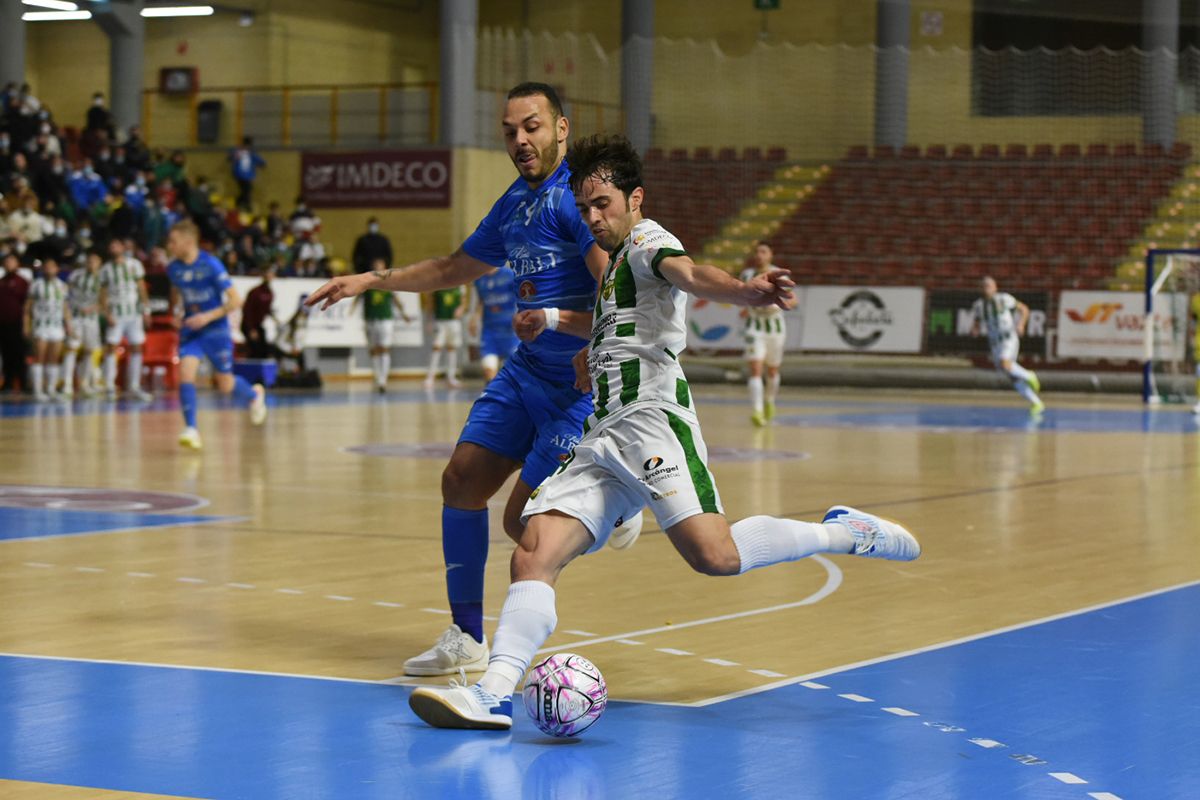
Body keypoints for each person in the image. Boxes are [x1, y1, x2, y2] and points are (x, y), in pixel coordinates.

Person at [407, 134, 922, 731]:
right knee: (531, 551)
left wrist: (743, 291)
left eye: (603, 203)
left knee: (716, 556)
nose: (593, 217)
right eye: (585, 207)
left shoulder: (649, 242)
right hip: (603, 435)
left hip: (653, 425)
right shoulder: (611, 269)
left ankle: (841, 533)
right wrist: (589, 356)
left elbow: (690, 273)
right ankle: (492, 696)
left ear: (635, 199)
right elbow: (618, 322)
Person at [307, 82, 646, 678]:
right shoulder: (514, 203)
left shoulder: (578, 203)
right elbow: (453, 267)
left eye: (533, 126)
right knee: (461, 480)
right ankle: (466, 638)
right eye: (510, 130)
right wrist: (371, 279)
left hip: (577, 388)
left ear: (562, 129)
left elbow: (615, 300)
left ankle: (616, 500)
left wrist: (561, 327)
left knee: (522, 529)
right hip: (524, 376)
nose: (520, 139)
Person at [166, 220, 268, 449]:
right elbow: (176, 292)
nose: (169, 245)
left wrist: (207, 316)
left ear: (188, 242)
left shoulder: (211, 265)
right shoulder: (173, 268)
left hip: (215, 329)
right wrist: (176, 312)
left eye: (173, 241)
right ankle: (191, 428)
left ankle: (253, 394)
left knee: (224, 384)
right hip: (192, 330)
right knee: (186, 373)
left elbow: (235, 300)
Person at [970, 276, 1043, 413]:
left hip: (1008, 338)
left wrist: (1021, 324)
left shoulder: (1003, 299)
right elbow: (977, 321)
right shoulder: (979, 306)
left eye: (989, 286)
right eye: (984, 286)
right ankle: (1036, 403)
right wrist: (975, 329)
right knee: (1011, 375)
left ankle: (1029, 375)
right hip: (995, 343)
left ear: (995, 287)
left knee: (1005, 363)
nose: (986, 289)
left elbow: (1024, 309)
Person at [98, 237, 152, 401]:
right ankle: (109, 386)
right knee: (110, 347)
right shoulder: (106, 269)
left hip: (133, 313)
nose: (114, 248)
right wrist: (107, 314)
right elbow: (102, 294)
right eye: (111, 246)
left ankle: (134, 387)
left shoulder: (134, 265)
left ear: (122, 247)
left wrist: (146, 311)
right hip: (116, 313)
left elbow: (141, 289)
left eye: (116, 244)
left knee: (136, 347)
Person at [740, 241, 787, 426]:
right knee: (755, 368)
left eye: (763, 251)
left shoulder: (779, 274)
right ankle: (757, 410)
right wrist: (745, 305)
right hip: (754, 326)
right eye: (757, 251)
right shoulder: (747, 275)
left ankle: (769, 400)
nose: (759, 255)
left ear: (771, 254)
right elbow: (741, 295)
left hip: (775, 326)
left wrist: (777, 304)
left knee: (773, 370)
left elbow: (793, 300)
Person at [24, 258, 70, 401]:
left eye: (52, 267)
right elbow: (27, 308)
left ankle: (51, 389)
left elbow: (65, 307)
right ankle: (38, 390)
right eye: (46, 267)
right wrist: (26, 325)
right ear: (43, 269)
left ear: (57, 269)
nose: (49, 269)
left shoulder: (61, 285)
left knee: (54, 358)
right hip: (40, 325)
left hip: (56, 325)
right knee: (39, 357)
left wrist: (69, 325)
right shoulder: (36, 285)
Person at [62, 251, 104, 398]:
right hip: (76, 318)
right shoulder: (76, 275)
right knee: (71, 348)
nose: (92, 264)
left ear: (99, 263)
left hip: (92, 320)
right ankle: (67, 384)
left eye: (95, 261)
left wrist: (95, 308)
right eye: (89, 261)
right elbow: (65, 295)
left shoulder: (102, 278)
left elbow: (105, 300)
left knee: (89, 350)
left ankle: (84, 384)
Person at [352, 287, 408, 393]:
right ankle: (378, 378)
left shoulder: (389, 285)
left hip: (386, 319)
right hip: (371, 319)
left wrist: (403, 314)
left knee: (385, 348)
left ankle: (383, 380)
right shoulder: (367, 285)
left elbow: (396, 300)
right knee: (373, 350)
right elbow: (357, 298)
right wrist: (351, 311)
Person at [471, 268, 519, 382]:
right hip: (489, 329)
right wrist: (474, 319)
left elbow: (521, 297)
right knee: (488, 369)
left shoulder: (509, 275)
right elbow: (480, 301)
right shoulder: (479, 279)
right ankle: (493, 396)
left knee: (513, 371)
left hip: (510, 330)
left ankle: (512, 397)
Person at [423, 285, 465, 389]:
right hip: (440, 321)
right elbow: (430, 304)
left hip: (454, 321)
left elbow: (463, 302)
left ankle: (451, 377)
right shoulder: (438, 284)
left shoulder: (460, 285)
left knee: (451, 348)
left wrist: (461, 309)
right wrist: (429, 320)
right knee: (436, 348)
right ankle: (430, 377)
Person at [0, 253, 30, 393]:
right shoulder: (1, 281)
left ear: (17, 264)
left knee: (19, 354)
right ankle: (8, 383)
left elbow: (27, 306)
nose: (9, 264)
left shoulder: (22, 282)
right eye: (6, 261)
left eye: (12, 261)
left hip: (17, 323)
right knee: (6, 354)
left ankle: (23, 383)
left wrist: (26, 324)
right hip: (3, 324)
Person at [241, 265, 278, 360]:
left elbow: (267, 309)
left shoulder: (270, 293)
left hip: (258, 325)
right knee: (255, 350)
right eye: (267, 274)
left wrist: (275, 319)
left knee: (264, 350)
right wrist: (251, 329)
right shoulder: (255, 292)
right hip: (249, 325)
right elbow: (247, 310)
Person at [229, 137, 265, 212]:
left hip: (245, 175)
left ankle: (239, 203)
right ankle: (246, 206)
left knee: (246, 191)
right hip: (242, 175)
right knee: (247, 191)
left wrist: (262, 164)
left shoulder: (249, 152)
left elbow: (259, 160)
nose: (248, 147)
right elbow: (230, 158)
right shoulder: (241, 152)